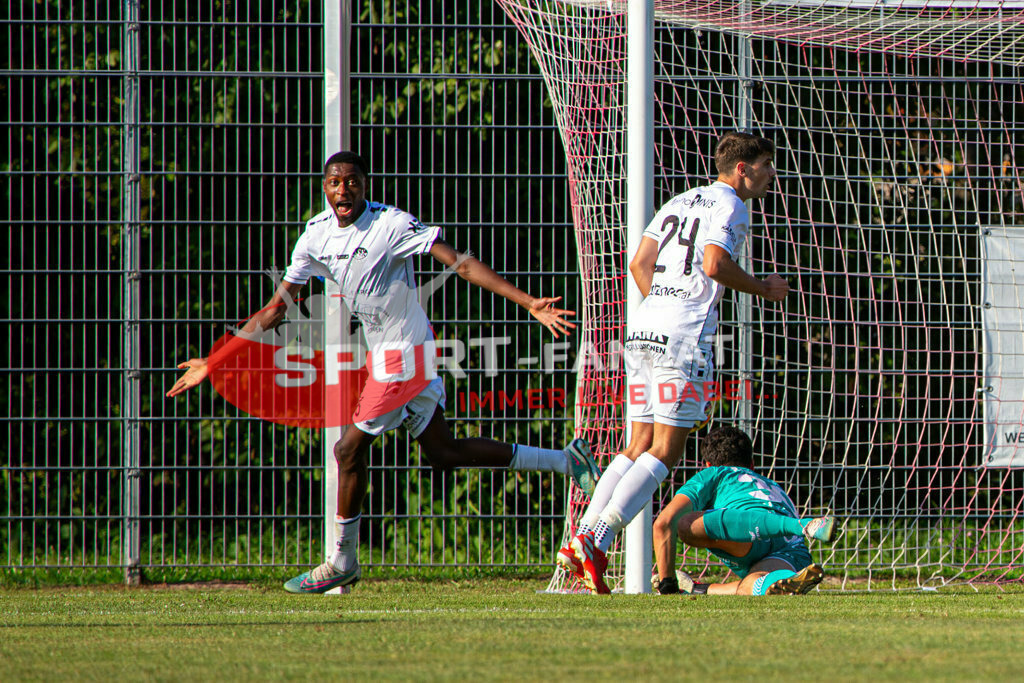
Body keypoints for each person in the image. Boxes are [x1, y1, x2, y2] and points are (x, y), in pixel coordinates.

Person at [166, 150, 601, 593]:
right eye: (335, 182)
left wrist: (527, 302)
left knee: (347, 450)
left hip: (405, 355)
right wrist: (214, 361)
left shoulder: (391, 224)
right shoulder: (315, 236)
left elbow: (460, 263)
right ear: (325, 188)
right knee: (443, 453)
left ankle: (342, 560)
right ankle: (569, 460)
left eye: (352, 181)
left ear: (365, 185)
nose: (344, 189)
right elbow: (277, 308)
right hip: (392, 355)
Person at [557, 131, 790, 593]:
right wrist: (763, 288)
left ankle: (580, 537)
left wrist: (663, 306)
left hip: (643, 330)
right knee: (664, 450)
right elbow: (714, 264)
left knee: (636, 444)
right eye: (766, 164)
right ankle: (599, 540)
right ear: (741, 169)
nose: (771, 174)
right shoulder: (732, 206)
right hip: (681, 340)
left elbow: (639, 263)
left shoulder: (679, 201)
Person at [651, 425, 834, 596]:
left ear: (707, 465)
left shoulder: (716, 473)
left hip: (754, 538)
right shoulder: (772, 486)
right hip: (793, 553)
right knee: (752, 585)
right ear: (752, 464)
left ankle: (805, 524)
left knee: (686, 524)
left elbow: (663, 523)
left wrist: (668, 585)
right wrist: (696, 588)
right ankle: (779, 581)